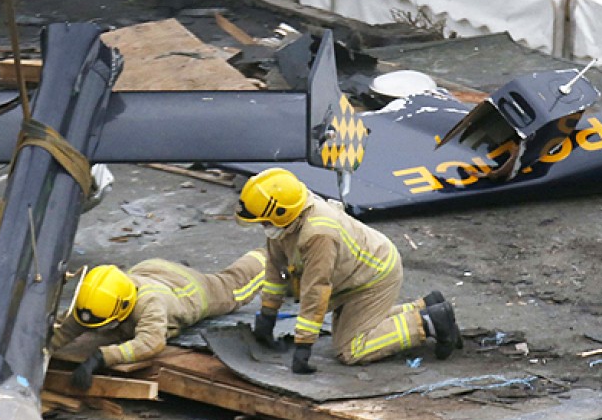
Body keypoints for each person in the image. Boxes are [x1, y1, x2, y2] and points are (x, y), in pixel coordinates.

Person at [234, 167, 460, 374]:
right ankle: (424, 306)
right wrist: (267, 314)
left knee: (350, 349)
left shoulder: (318, 235)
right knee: (348, 331)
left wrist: (304, 346)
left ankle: (428, 322)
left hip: (373, 278)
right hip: (356, 274)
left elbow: (316, 290)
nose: (263, 227)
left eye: (264, 222)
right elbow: (275, 267)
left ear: (281, 214)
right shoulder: (288, 219)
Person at [51, 249, 268, 390]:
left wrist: (101, 357)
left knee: (234, 286)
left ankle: (272, 256)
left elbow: (150, 343)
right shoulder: (103, 296)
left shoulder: (150, 303)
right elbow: (66, 328)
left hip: (187, 288)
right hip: (149, 270)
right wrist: (39, 349)